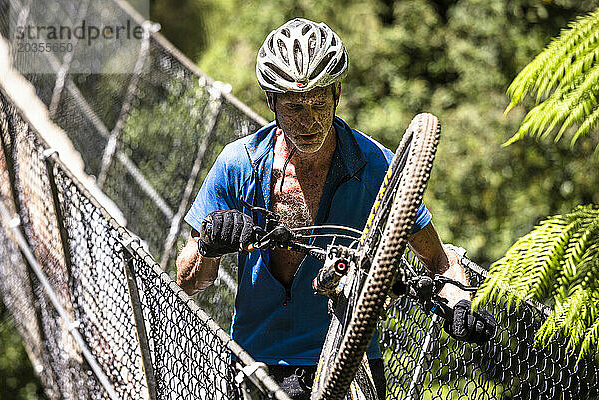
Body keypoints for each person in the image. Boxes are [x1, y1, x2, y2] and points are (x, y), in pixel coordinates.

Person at [177, 18, 495, 400]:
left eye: (318, 102)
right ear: (271, 101)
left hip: (351, 361)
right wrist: (210, 245)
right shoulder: (237, 164)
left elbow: (441, 264)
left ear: (337, 93)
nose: (308, 120)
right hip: (258, 363)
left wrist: (459, 301)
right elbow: (189, 281)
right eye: (294, 106)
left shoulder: (378, 167)